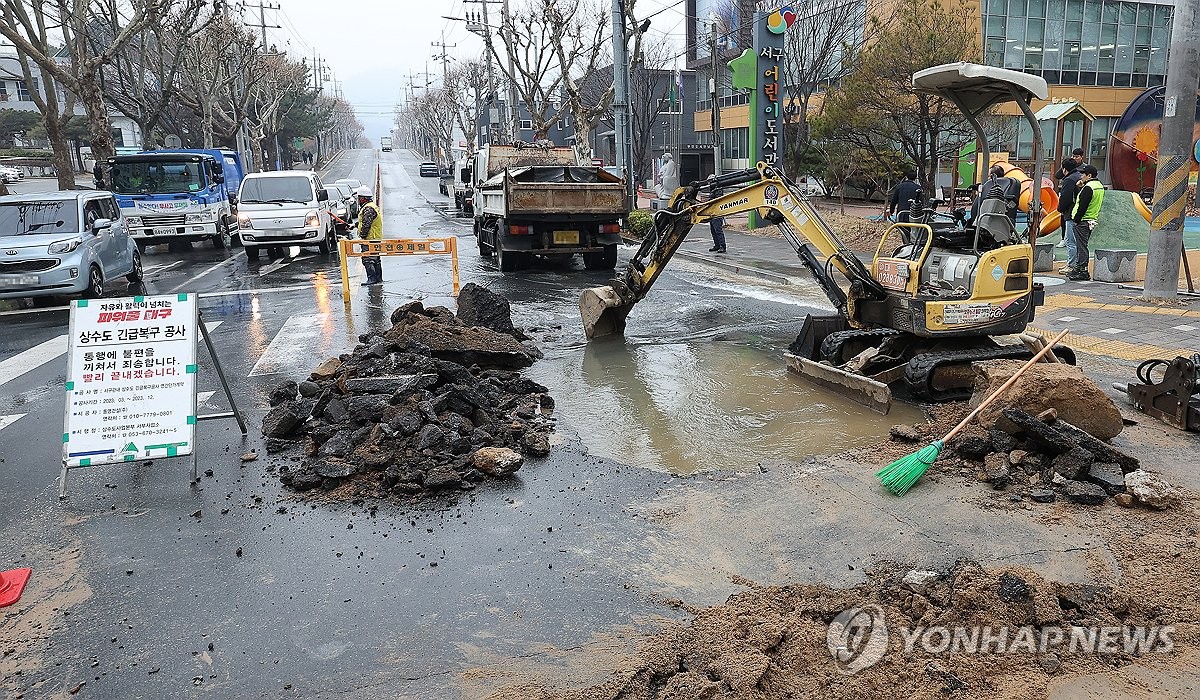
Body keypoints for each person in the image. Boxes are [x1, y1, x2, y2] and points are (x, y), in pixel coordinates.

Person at [1068, 164, 1104, 282]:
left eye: (1083, 174)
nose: (1080, 175)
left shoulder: (1088, 188)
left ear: (1089, 175)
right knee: (1082, 245)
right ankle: (1080, 268)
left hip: (1083, 220)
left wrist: (1076, 219)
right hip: (1091, 219)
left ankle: (1082, 270)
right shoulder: (1098, 186)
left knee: (1081, 246)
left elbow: (1083, 205)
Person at [1056, 161, 1084, 266]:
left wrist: (1060, 209)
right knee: (1078, 242)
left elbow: (1066, 198)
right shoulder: (1079, 176)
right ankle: (1077, 264)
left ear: (1064, 169)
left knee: (1071, 241)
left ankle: (1071, 264)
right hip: (1081, 213)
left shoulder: (1069, 180)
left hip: (1071, 212)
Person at [356, 186, 383, 285]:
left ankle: (372, 278)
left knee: (368, 259)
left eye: (359, 198)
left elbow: (366, 224)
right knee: (376, 258)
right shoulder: (372, 206)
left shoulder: (368, 208)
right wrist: (354, 226)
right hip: (375, 238)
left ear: (363, 198)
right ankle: (378, 278)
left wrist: (362, 236)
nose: (358, 200)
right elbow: (365, 221)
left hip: (370, 239)